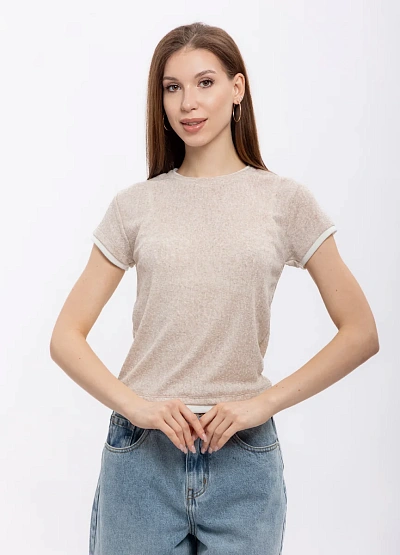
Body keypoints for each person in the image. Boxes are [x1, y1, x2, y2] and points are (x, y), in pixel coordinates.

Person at [50, 22, 379, 555]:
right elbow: (66, 336)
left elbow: (361, 332)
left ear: (237, 88)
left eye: (205, 82)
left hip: (243, 460)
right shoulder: (135, 205)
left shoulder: (285, 201)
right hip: (143, 458)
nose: (188, 103)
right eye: (172, 87)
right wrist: (138, 408)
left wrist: (261, 404)